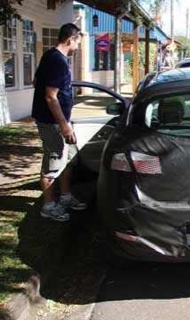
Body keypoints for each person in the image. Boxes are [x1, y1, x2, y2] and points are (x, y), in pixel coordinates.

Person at [32, 23, 87, 222]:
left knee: (68, 159)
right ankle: (48, 206)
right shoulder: (57, 61)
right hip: (52, 122)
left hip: (60, 120)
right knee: (53, 162)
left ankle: (64, 197)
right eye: (77, 43)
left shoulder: (50, 56)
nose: (78, 47)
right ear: (69, 39)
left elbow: (36, 82)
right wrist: (64, 125)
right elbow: (50, 97)